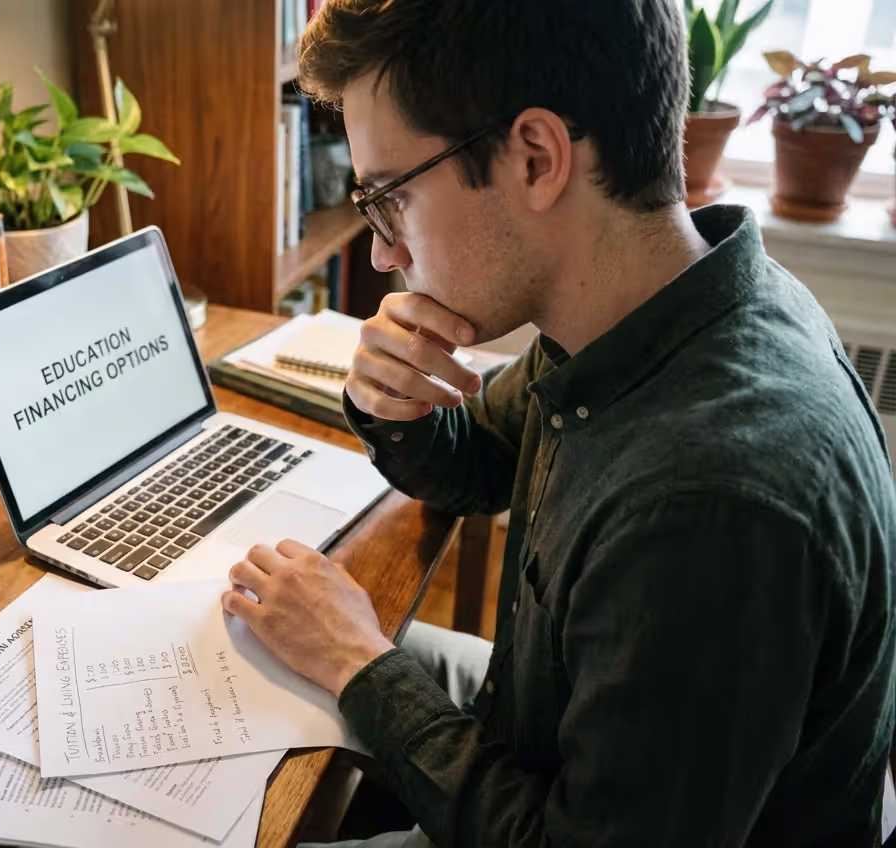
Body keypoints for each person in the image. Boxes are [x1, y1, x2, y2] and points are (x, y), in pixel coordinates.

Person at [218, 0, 896, 845]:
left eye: (389, 197)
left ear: (536, 159)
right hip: (544, 725)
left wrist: (361, 663)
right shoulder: (654, 306)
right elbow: (480, 464)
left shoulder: (710, 500)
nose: (383, 254)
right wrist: (393, 404)